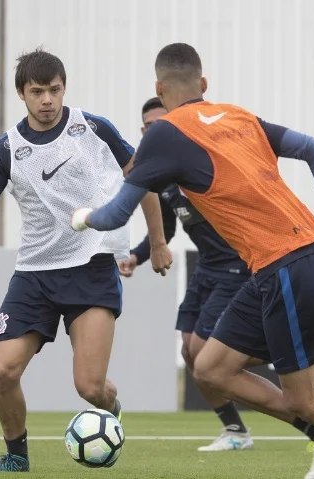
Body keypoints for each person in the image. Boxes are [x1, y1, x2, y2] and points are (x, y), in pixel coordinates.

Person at [71, 43, 314, 479]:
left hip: (286, 264)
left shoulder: (164, 133)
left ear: (159, 88)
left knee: (307, 397)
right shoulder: (237, 116)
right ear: (205, 84)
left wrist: (81, 218)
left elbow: (116, 214)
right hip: (277, 266)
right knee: (211, 368)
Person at [0, 47, 172, 473]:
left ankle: (111, 408)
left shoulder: (93, 128)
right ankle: (16, 458)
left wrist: (157, 242)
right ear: (22, 94)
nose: (47, 100)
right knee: (4, 371)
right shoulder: (6, 150)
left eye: (54, 90)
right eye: (38, 92)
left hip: (90, 268)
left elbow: (143, 179)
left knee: (90, 388)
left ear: (64, 87)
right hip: (33, 275)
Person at [118, 97, 254, 452]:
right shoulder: (161, 176)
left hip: (237, 265)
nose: (155, 131)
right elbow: (165, 228)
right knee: (190, 351)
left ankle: (262, 351)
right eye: (149, 126)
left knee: (201, 350)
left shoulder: (199, 158)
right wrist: (137, 255)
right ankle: (235, 431)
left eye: (162, 123)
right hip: (207, 266)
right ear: (144, 132)